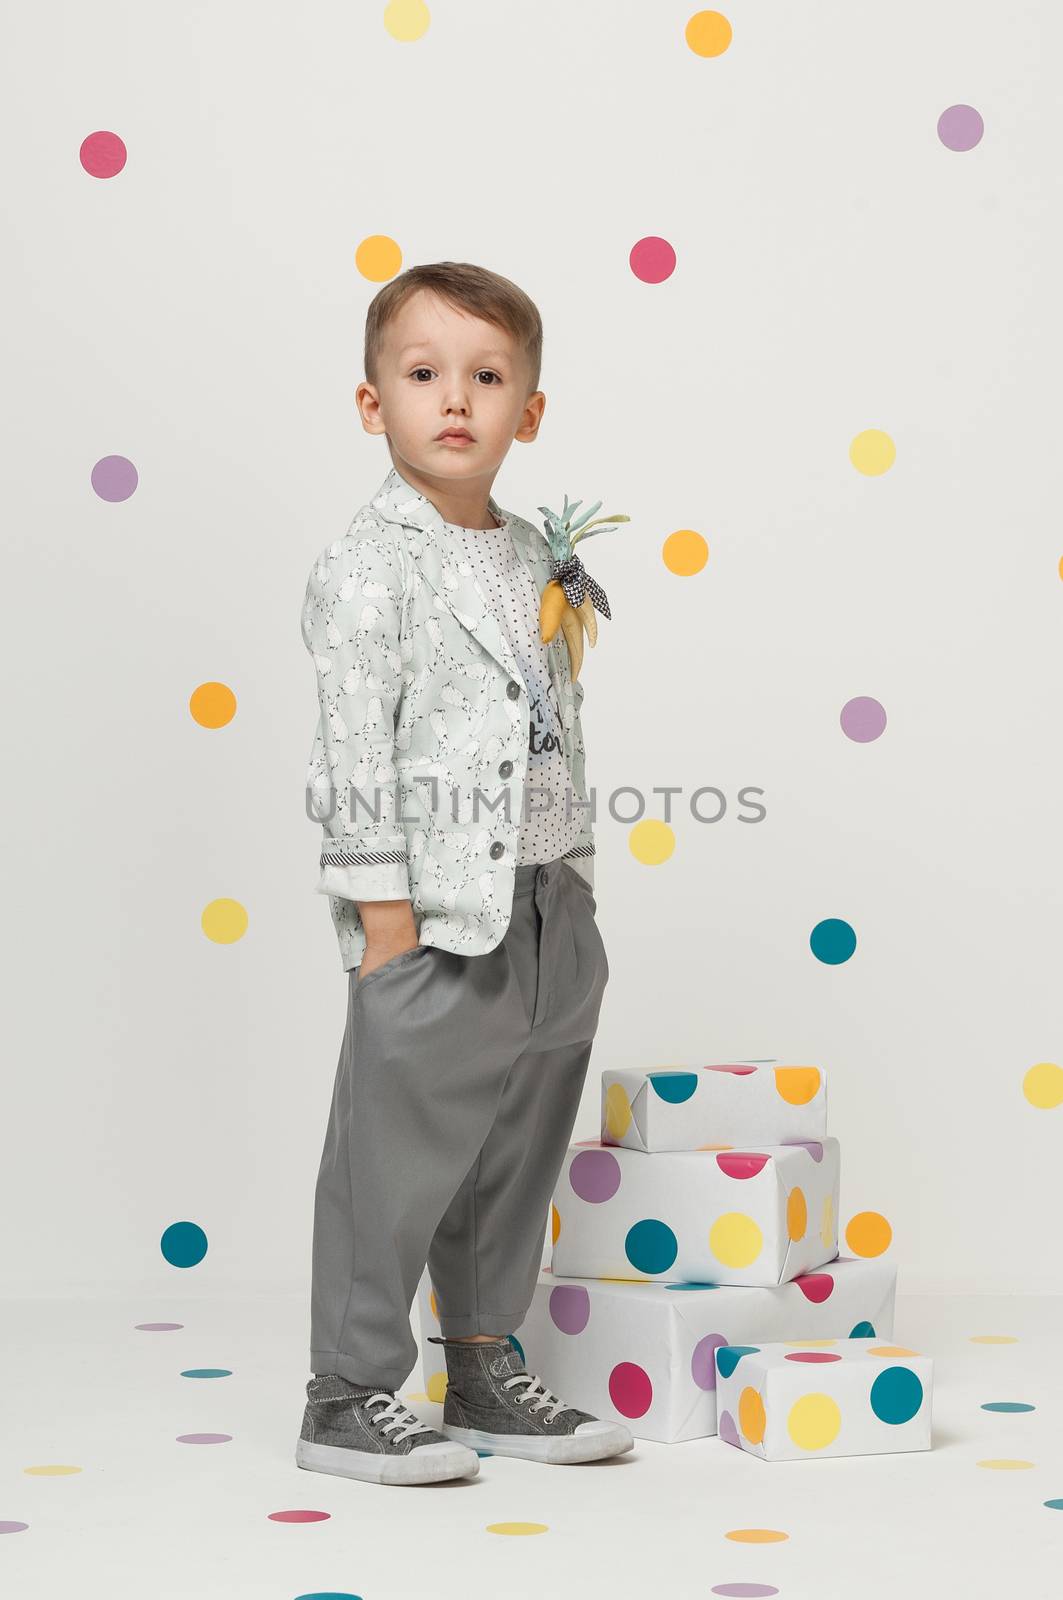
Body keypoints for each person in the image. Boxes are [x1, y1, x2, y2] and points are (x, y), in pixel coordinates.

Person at [295, 261, 632, 1486]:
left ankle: (483, 1364)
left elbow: (555, 713)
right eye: (423, 374)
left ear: (528, 412)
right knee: (394, 1158)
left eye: (487, 378)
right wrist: (383, 920)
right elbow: (351, 750)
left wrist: (576, 881)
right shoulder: (370, 564)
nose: (455, 400)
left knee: (512, 1152)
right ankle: (346, 1390)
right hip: (431, 916)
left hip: (545, 903)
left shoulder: (534, 550)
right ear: (371, 401)